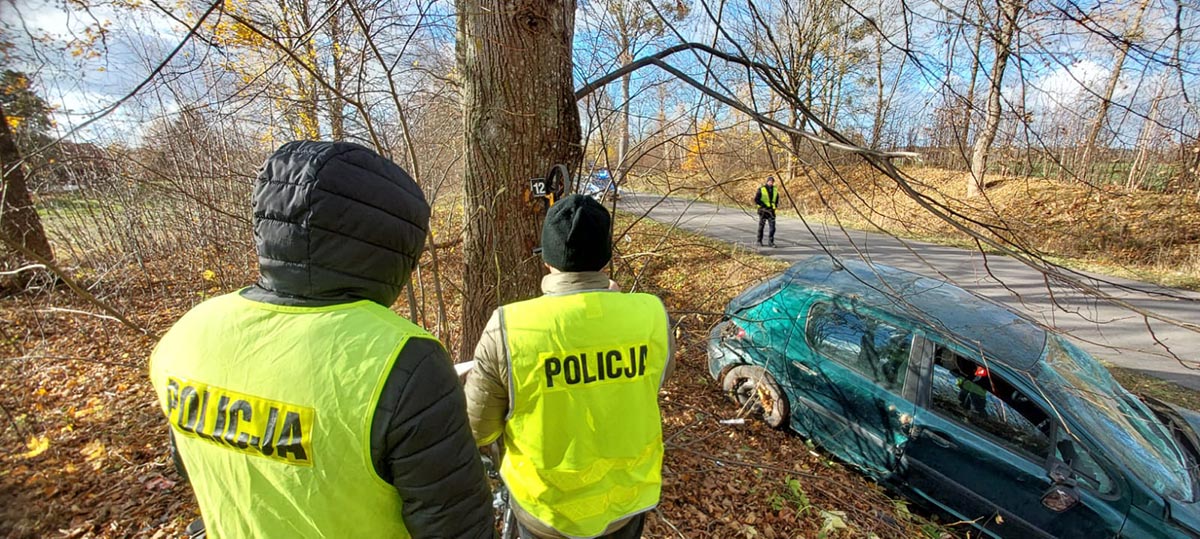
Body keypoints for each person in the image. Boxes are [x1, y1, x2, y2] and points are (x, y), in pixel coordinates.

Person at [148, 141, 492, 538]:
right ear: (392, 246)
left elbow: (191, 464)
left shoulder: (187, 333)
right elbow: (459, 528)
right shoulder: (405, 360)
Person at [464, 194, 676, 539]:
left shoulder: (510, 326)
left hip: (545, 510)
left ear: (547, 258)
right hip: (627, 502)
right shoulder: (650, 312)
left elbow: (479, 428)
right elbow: (654, 377)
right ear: (606, 258)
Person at [754, 175, 779, 247]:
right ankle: (759, 241)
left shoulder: (775, 190)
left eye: (772, 181)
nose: (771, 183)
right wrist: (762, 205)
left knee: (773, 227)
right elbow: (756, 200)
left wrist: (775, 205)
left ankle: (771, 242)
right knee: (761, 226)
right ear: (767, 181)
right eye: (770, 181)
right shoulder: (761, 189)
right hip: (763, 210)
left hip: (771, 211)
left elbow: (777, 198)